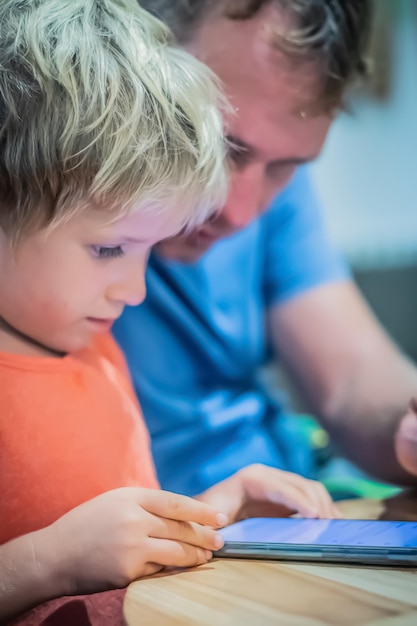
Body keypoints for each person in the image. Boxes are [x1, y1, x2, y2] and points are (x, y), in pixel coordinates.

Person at [0, 0, 338, 622]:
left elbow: (116, 543)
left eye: (148, 253)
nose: (136, 291)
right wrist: (49, 560)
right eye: (108, 249)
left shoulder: (96, 350)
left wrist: (206, 514)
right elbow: (75, 556)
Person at [113, 0, 417, 497]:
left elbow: (352, 380)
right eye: (221, 146)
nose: (240, 213)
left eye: (286, 165)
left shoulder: (272, 190)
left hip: (296, 502)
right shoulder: (37, 199)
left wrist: (407, 432)